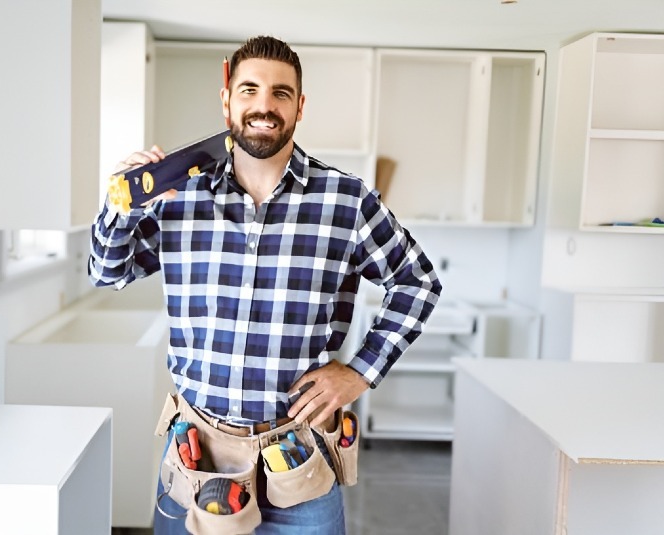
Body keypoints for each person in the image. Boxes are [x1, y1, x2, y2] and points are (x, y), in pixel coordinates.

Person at [89, 35, 442, 534]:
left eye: (280, 93)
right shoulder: (178, 194)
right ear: (227, 98)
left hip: (299, 461)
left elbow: (418, 283)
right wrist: (119, 204)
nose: (264, 105)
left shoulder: (347, 201)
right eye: (249, 89)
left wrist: (360, 372)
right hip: (198, 454)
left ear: (300, 106)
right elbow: (107, 271)